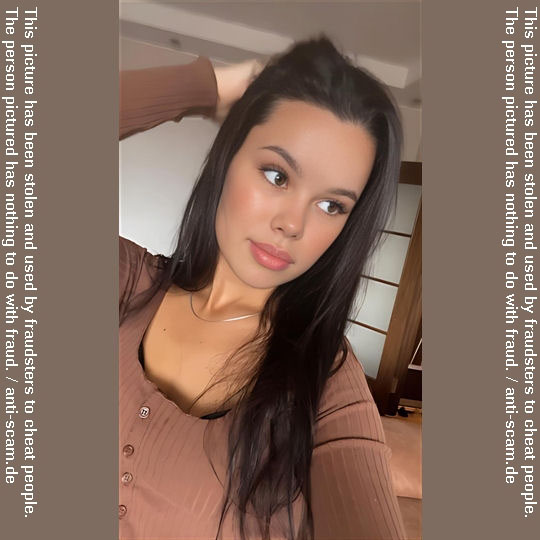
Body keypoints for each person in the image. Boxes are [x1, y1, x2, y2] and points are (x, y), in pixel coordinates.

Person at [119, 35, 406, 540]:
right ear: (229, 155)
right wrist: (203, 86)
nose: (293, 224)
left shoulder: (326, 384)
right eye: (277, 175)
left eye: (331, 205)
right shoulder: (126, 283)